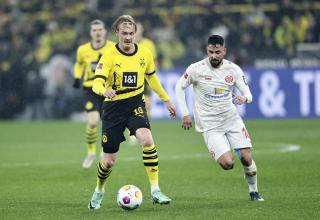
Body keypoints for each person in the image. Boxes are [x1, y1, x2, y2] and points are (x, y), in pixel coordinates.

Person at [88, 15, 176, 210]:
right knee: (109, 161)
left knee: (146, 139)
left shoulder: (144, 53)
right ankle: (99, 190)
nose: (128, 37)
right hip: (113, 108)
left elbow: (152, 79)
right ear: (117, 33)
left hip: (135, 103)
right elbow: (97, 82)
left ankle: (155, 190)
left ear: (135, 33)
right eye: (124, 33)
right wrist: (105, 90)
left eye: (131, 33)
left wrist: (166, 99)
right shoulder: (109, 55)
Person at [175, 35, 264, 202]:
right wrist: (185, 113)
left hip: (232, 120)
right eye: (210, 52)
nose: (214, 56)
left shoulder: (234, 70)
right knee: (227, 164)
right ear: (206, 50)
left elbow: (248, 93)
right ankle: (222, 151)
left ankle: (254, 192)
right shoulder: (196, 69)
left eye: (217, 52)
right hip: (210, 125)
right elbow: (179, 87)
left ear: (224, 51)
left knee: (246, 157)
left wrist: (245, 99)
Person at [73, 19, 115, 169]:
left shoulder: (112, 47)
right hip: (90, 90)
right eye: (94, 30)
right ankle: (91, 153)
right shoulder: (82, 50)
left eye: (100, 30)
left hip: (106, 89)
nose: (97, 32)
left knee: (107, 123)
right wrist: (77, 77)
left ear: (104, 31)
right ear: (91, 33)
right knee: (92, 121)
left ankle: (105, 150)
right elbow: (78, 64)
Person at [127, 22, 158, 145]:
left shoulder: (149, 44)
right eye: (136, 30)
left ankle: (144, 128)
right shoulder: (127, 44)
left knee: (148, 104)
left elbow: (154, 61)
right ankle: (133, 131)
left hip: (145, 77)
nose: (137, 32)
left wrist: (154, 76)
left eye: (139, 30)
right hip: (132, 77)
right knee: (131, 106)